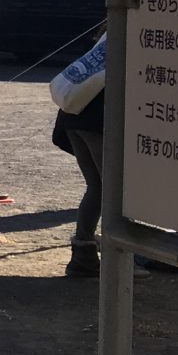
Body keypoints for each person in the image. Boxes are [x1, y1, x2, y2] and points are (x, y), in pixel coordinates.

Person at [51, 34, 108, 278]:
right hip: (97, 119)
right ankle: (121, 258)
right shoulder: (138, 34)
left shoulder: (109, 33)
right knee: (113, 190)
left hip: (73, 115)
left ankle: (83, 254)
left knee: (98, 186)